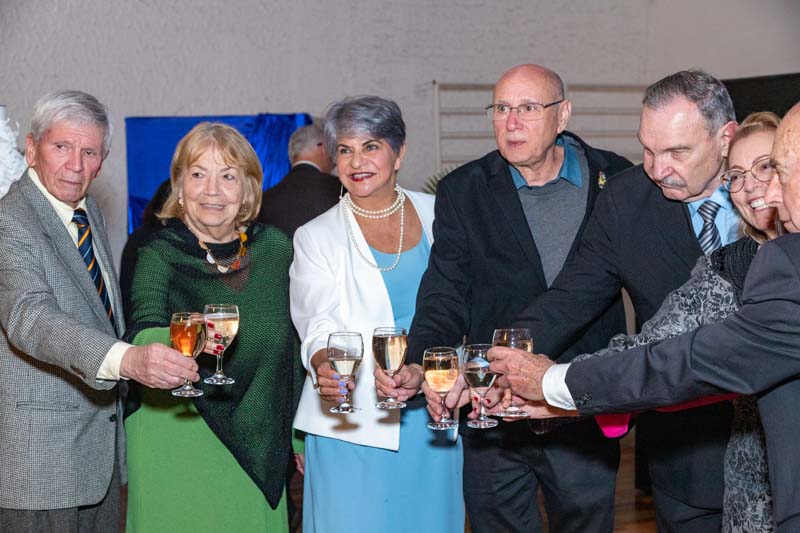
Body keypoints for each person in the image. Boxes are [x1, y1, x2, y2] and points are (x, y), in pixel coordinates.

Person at [490, 100, 800, 532]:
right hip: (746, 490)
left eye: (771, 169)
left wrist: (553, 384)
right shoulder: (730, 264)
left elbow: (697, 360)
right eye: (737, 176)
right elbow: (658, 348)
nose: (758, 190)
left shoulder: (785, 265)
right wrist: (559, 392)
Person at [382, 64, 632, 532]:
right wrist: (420, 361)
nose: (511, 122)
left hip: (577, 404)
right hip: (490, 409)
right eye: (501, 108)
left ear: (562, 115)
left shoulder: (615, 178)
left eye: (528, 108)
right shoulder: (465, 190)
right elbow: (445, 293)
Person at [0, 90, 197, 533]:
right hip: (39, 468)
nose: (76, 164)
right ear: (31, 149)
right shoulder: (10, 221)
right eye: (61, 146)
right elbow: (30, 317)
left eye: (89, 152)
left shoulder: (86, 212)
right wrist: (126, 359)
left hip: (96, 459)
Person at [289, 95, 464, 533]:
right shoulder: (316, 236)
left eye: (371, 146)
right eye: (345, 149)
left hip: (432, 416)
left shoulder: (442, 215)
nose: (357, 161)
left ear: (399, 153)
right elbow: (317, 324)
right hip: (353, 420)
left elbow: (465, 304)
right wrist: (324, 364)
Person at [124, 122, 303, 532]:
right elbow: (141, 330)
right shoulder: (157, 251)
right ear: (180, 186)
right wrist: (185, 337)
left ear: (248, 188)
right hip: (175, 430)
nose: (212, 190)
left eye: (228, 176)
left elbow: (292, 350)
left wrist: (299, 436)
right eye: (198, 174)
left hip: (261, 433)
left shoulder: (276, 249)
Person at [258, 123, 340, 237]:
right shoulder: (339, 189)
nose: (334, 161)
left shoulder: (264, 200)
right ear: (323, 148)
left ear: (291, 156)